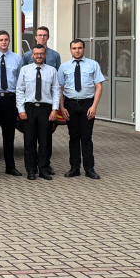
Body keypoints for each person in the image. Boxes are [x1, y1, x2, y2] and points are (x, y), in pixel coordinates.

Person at [58, 39, 105, 179]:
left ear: (84, 49)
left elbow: (99, 86)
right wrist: (62, 107)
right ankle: (74, 168)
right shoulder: (64, 67)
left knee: (86, 137)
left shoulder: (93, 65)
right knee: (73, 137)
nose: (77, 50)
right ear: (70, 50)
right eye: (74, 48)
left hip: (87, 105)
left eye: (79, 48)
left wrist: (94, 106)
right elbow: (60, 88)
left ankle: (89, 169)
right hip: (70, 105)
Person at [21, 26, 62, 173]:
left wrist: (54, 110)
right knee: (29, 140)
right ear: (32, 55)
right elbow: (20, 89)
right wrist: (21, 109)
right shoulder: (25, 69)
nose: (39, 56)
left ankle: (44, 168)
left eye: (41, 54)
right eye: (36, 54)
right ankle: (31, 170)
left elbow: (56, 90)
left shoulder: (51, 70)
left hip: (46, 108)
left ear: (45, 55)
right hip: (29, 107)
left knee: (45, 140)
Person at [0, 30, 23, 177]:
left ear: (9, 41)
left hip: (10, 99)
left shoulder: (17, 59)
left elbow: (20, 81)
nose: (4, 42)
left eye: (6, 39)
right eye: (1, 40)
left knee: (9, 135)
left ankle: (10, 167)